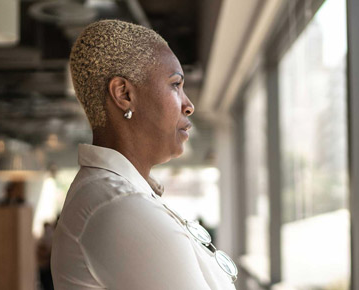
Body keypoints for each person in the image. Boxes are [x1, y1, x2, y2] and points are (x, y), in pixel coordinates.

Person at [51, 19, 237, 290]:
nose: (189, 106)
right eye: (175, 85)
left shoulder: (112, 196)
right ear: (124, 94)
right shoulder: (119, 208)